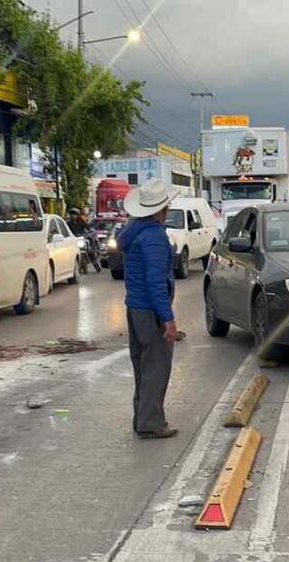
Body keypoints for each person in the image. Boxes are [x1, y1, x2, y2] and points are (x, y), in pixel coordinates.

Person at [117, 179, 179, 440]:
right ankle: (151, 422)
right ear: (161, 209)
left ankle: (141, 418)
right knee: (156, 367)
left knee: (142, 366)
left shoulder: (132, 231)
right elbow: (156, 282)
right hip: (150, 310)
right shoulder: (154, 236)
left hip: (134, 307)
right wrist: (168, 319)